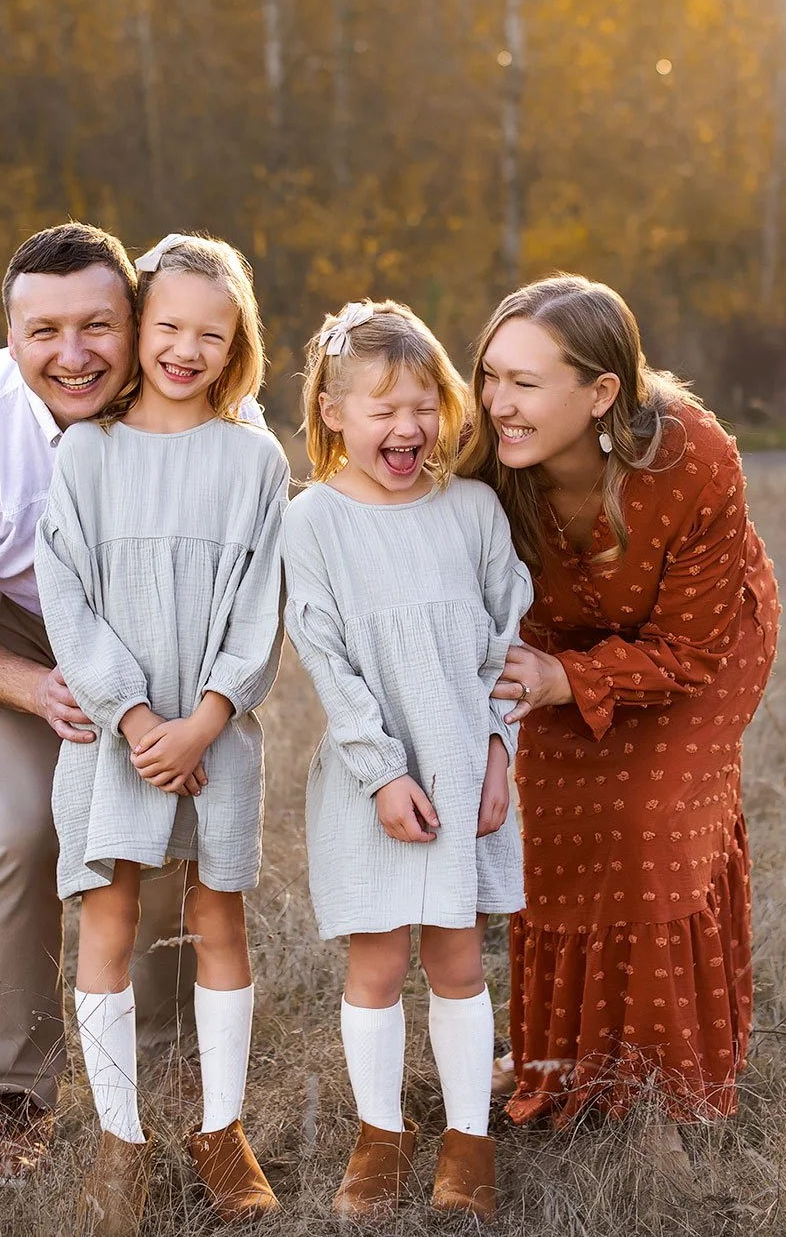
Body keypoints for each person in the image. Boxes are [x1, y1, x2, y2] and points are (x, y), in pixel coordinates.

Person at [0, 222, 217, 1184]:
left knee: (153, 829)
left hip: (150, 630)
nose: (71, 357)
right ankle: (17, 1101)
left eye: (97, 326)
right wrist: (36, 687)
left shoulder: (193, 404)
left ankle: (169, 1085)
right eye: (43, 333)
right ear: (9, 333)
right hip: (11, 637)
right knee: (27, 827)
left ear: (137, 321)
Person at [463, 274, 780, 1146]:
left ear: (602, 393)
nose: (497, 403)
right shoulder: (483, 456)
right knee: (561, 833)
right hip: (556, 646)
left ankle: (663, 1103)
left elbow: (691, 649)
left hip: (702, 644)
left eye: (524, 384)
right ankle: (566, 1069)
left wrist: (567, 681)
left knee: (651, 824)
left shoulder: (695, 459)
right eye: (490, 376)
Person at [36, 234, 289, 1234]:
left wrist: (206, 719)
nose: (187, 349)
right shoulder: (86, 455)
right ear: (138, 328)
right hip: (114, 735)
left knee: (219, 918)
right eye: (169, 326)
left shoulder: (253, 461)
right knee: (107, 916)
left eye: (210, 334)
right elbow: (66, 596)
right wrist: (136, 717)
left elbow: (259, 608)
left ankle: (220, 1131)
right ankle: (119, 1141)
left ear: (237, 346)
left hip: (214, 733)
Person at [280, 301, 533, 1226]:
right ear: (333, 412)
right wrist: (383, 772)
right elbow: (326, 658)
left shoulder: (471, 510)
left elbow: (506, 641)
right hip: (374, 777)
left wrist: (499, 753)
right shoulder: (313, 522)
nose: (409, 427)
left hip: (466, 767)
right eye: (384, 407)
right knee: (379, 963)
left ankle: (469, 1142)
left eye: (425, 404)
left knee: (460, 959)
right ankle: (379, 1134)